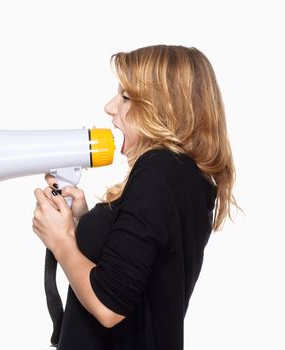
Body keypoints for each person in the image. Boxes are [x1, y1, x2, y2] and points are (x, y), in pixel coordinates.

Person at [32, 45, 237, 350]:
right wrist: (82, 223)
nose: (110, 107)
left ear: (164, 107)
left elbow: (109, 305)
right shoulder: (187, 178)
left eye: (126, 97)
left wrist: (61, 242)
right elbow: (139, 268)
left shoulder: (158, 170)